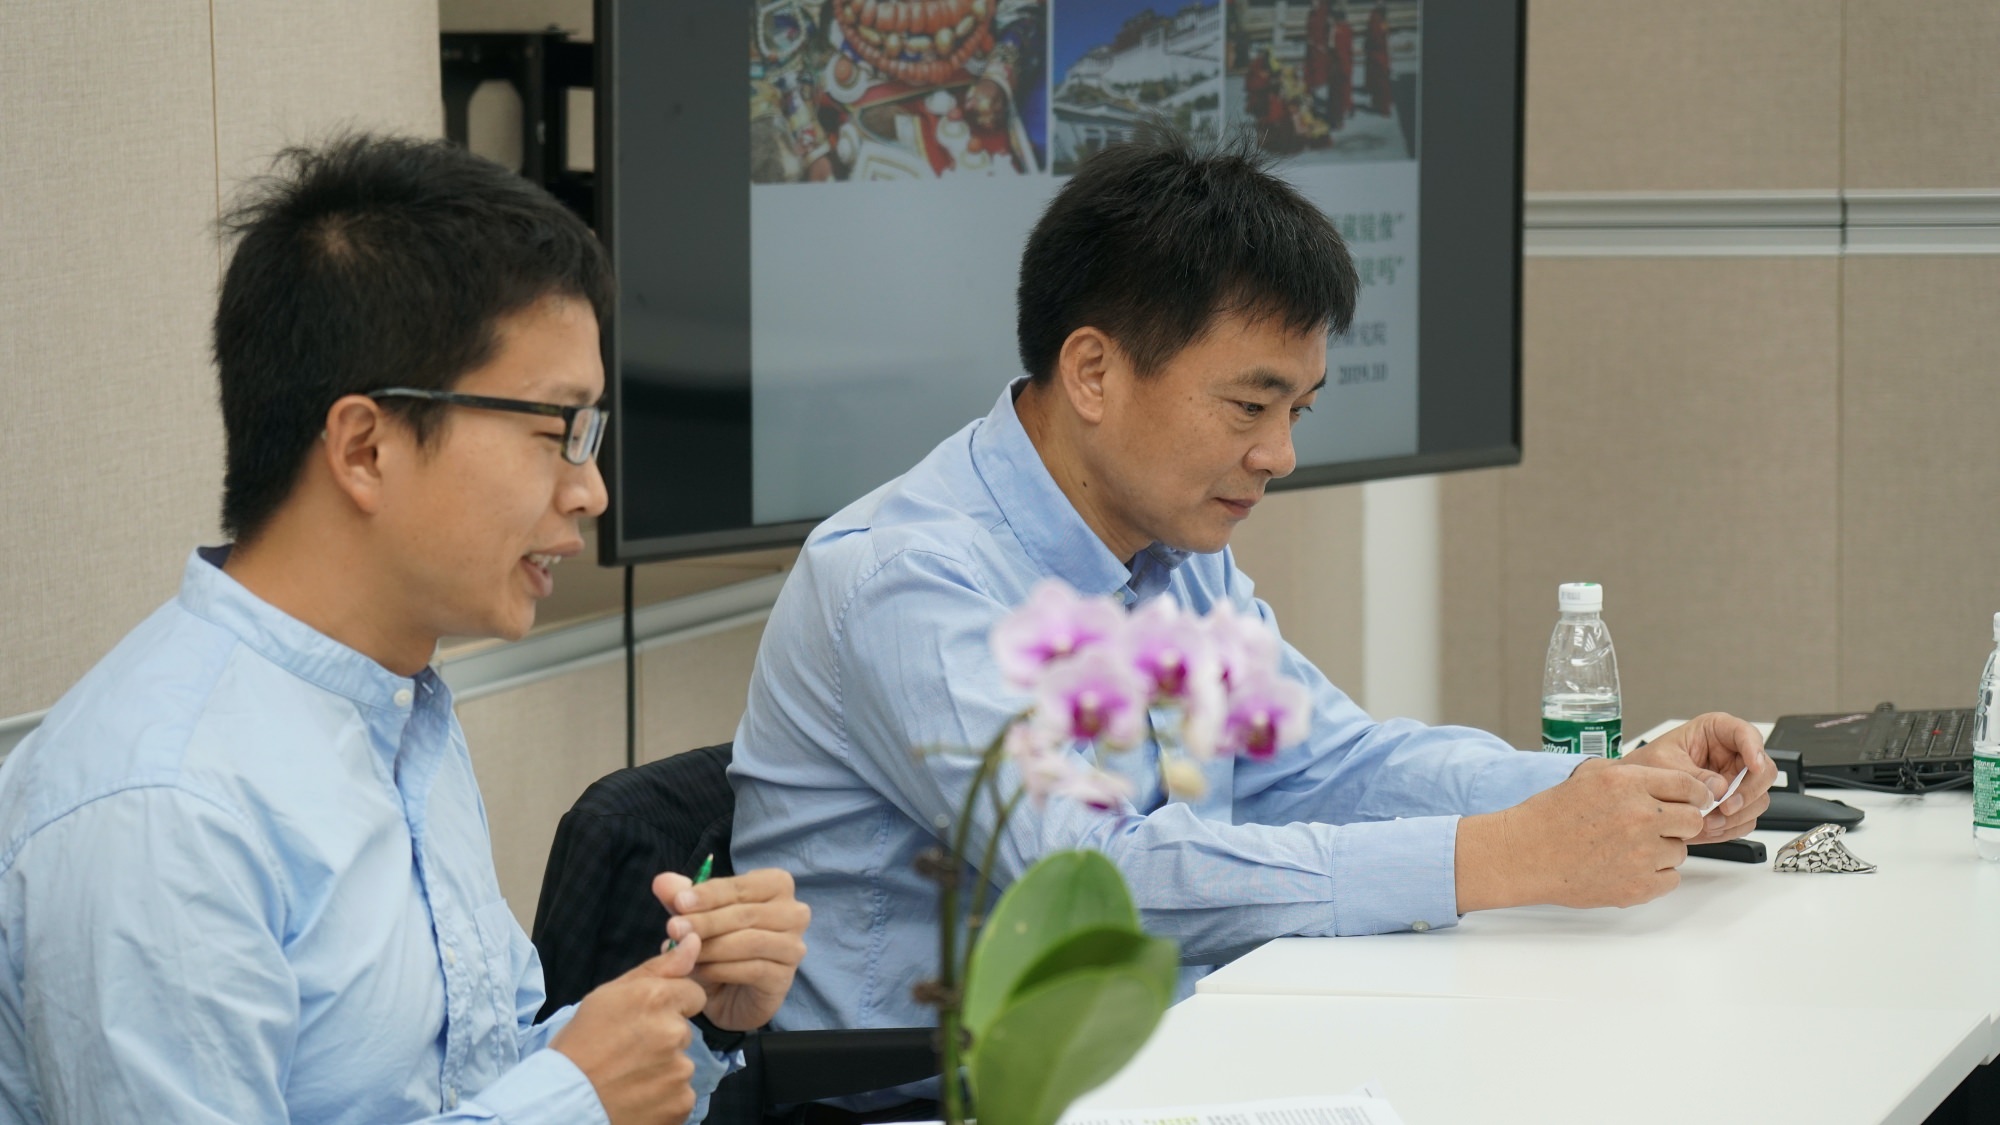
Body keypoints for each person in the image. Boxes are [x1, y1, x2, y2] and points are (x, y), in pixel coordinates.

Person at [729, 132, 1776, 1059]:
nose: (1278, 454)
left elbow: (1330, 766)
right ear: (1092, 373)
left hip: (1177, 1046)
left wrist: (1606, 791)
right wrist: (1498, 856)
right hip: (934, 1095)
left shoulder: (1173, 544)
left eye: (1297, 410)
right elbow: (1092, 881)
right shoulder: (908, 580)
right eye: (1248, 406)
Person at [0, 135, 809, 1125]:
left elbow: (465, 1086)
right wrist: (576, 1100)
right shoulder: (164, 809)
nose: (590, 490)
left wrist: (687, 1017)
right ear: (365, 447)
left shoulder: (394, 703)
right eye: (557, 429)